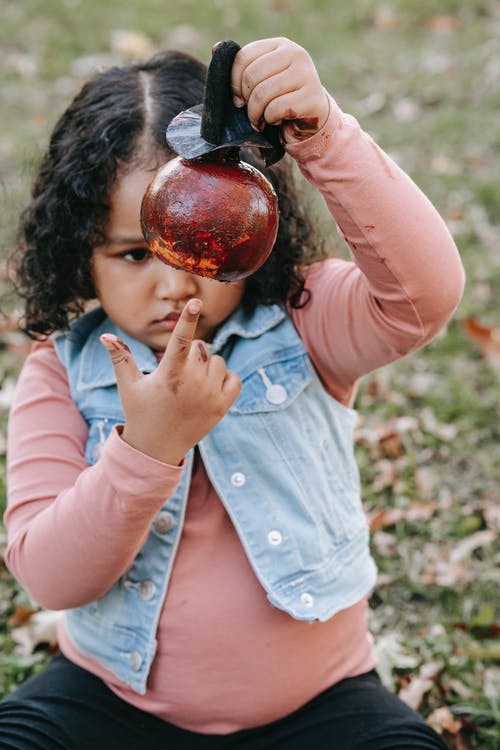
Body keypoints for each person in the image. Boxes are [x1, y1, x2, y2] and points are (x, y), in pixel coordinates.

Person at [0, 36, 464, 750]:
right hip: (113, 700)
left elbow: (424, 298)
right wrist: (148, 450)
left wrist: (324, 137)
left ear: (256, 225)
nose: (176, 281)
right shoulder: (61, 372)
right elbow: (50, 578)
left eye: (204, 237)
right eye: (132, 253)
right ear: (79, 256)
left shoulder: (303, 320)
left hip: (320, 704)